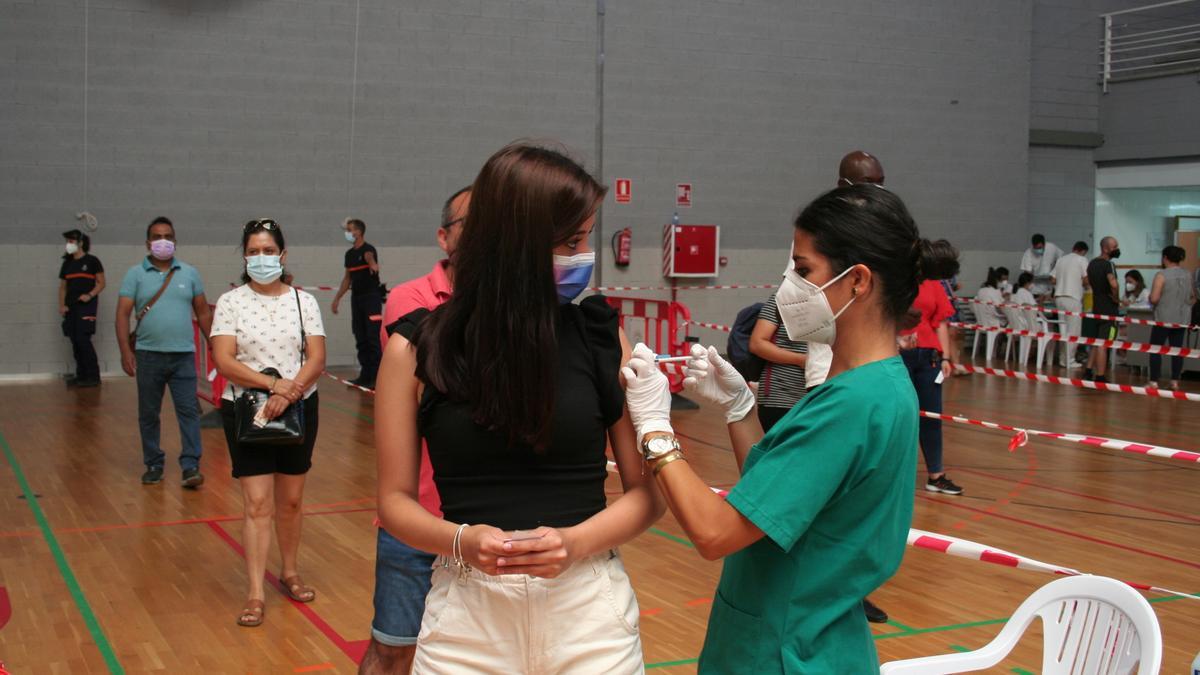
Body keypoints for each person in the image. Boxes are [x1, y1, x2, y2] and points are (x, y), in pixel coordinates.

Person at [620, 184, 957, 673]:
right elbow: (778, 498)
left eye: (802, 271)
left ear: (858, 281)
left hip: (784, 650)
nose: (788, 287)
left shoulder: (850, 405)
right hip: (815, 638)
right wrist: (741, 410)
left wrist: (654, 428)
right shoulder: (876, 385)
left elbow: (715, 534)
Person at [375, 144, 664, 674]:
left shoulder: (602, 338)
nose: (583, 256)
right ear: (515, 243)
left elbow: (646, 494)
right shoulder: (415, 347)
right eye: (570, 242)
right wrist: (462, 540)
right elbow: (394, 501)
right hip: (466, 621)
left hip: (589, 615)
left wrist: (575, 543)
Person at [360, 185, 469, 675]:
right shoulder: (409, 299)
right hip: (418, 515)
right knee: (394, 651)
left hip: (488, 521)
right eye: (472, 224)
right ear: (444, 237)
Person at [210, 218, 327, 628]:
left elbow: (316, 357)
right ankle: (255, 593)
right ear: (245, 256)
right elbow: (224, 360)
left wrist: (289, 392)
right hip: (247, 411)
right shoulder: (231, 302)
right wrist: (272, 385)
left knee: (291, 501)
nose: (261, 258)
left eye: (268, 250)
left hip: (298, 407)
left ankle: (290, 572)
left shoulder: (302, 301)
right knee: (257, 503)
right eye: (254, 251)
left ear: (283, 254)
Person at [115, 216, 212, 487]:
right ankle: (154, 464)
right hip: (148, 356)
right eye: (157, 237)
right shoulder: (134, 274)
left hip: (183, 357)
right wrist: (125, 351)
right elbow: (122, 314)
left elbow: (203, 311)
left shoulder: (189, 273)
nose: (163, 241)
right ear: (148, 243)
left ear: (175, 241)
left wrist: (215, 342)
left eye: (168, 236)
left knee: (189, 413)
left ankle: (191, 466)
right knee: (148, 414)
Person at [332, 218, 382, 388]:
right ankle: (365, 376)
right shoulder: (349, 254)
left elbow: (374, 267)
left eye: (350, 229)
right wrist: (337, 298)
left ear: (358, 232)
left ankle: (377, 378)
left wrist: (371, 262)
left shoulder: (369, 250)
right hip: (357, 299)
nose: (347, 233)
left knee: (372, 338)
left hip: (371, 298)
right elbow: (347, 279)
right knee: (360, 337)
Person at [748, 293, 808, 432]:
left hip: (822, 396)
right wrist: (801, 360)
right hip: (781, 397)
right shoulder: (782, 298)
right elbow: (757, 343)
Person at [59, 229, 105, 387]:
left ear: (81, 243)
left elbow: (101, 283)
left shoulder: (92, 261)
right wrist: (62, 305)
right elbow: (63, 288)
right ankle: (81, 376)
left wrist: (90, 295)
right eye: (68, 241)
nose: (68, 244)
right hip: (71, 307)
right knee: (75, 341)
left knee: (83, 340)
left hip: (86, 306)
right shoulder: (67, 264)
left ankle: (93, 376)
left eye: (71, 241)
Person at [1148, 245, 1195, 390]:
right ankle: (1175, 380)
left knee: (1156, 349)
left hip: (1163, 318)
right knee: (1177, 350)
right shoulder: (1188, 274)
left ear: (1165, 258)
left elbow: (1155, 298)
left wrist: (1150, 299)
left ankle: (1154, 381)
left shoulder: (1161, 275)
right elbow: (1193, 297)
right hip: (1182, 320)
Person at [1085, 237, 1121, 383]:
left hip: (1096, 307)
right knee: (1104, 343)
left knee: (1096, 341)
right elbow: (1113, 284)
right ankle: (1100, 376)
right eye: (1114, 246)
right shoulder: (1109, 265)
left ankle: (1088, 370)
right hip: (1109, 310)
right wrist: (1116, 297)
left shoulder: (1092, 264)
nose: (1117, 249)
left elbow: (1087, 281)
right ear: (1105, 248)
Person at [1050, 241, 1090, 369]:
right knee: (1073, 331)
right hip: (1073, 297)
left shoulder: (1061, 260)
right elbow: (1086, 279)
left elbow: (1053, 279)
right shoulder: (1082, 260)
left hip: (1059, 298)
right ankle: (1069, 360)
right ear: (1083, 251)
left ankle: (1063, 359)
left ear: (1073, 248)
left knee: (1063, 330)